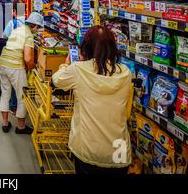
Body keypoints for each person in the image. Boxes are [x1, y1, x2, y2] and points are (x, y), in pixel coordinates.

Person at [52, 26, 133, 174]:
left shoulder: (78, 69)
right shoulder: (126, 73)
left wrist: (65, 65)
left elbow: (57, 80)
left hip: (89, 148)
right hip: (118, 150)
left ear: (86, 48)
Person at [0, 12, 43, 135]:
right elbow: (28, 58)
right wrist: (33, 69)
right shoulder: (29, 35)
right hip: (15, 67)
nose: (37, 30)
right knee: (22, 96)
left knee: (5, 94)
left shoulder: (17, 29)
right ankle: (21, 127)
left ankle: (5, 124)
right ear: (34, 26)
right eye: (38, 27)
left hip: (3, 63)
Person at [3, 1, 26, 115]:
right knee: (21, 84)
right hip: (25, 54)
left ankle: (13, 106)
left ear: (15, 11)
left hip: (12, 56)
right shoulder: (27, 23)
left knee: (12, 84)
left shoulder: (12, 23)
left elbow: (5, 35)